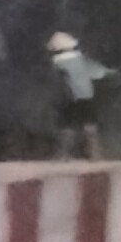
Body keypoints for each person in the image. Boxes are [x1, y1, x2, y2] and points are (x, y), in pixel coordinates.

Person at [47, 28, 102, 159]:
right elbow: (98, 73)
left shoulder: (56, 62)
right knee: (90, 124)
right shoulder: (80, 58)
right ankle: (95, 154)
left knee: (67, 125)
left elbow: (57, 81)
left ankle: (63, 155)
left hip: (70, 97)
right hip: (86, 95)